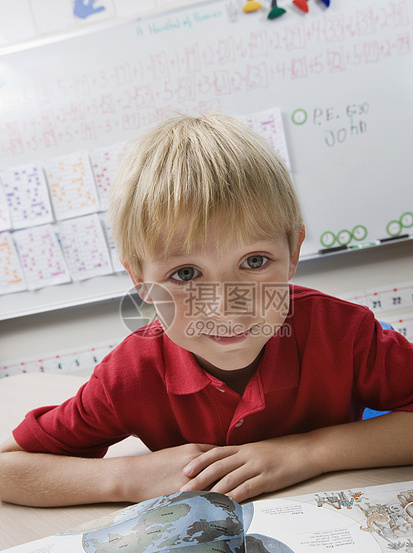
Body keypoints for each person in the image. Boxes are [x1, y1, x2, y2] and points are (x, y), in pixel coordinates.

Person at [1, 112, 413, 508]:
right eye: (185, 273)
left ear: (293, 253)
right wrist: (130, 476)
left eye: (254, 261)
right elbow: (9, 466)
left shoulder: (343, 332)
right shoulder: (129, 375)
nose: (225, 306)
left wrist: (308, 452)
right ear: (140, 280)